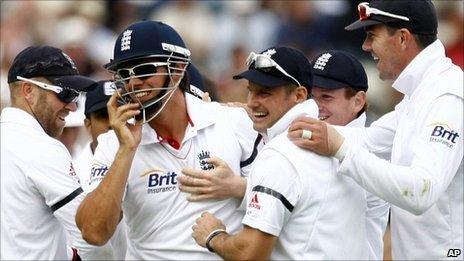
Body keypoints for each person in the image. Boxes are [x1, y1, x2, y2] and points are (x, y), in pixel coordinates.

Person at [287, 1, 463, 259]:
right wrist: (276, 123)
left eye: (372, 35)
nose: (365, 46)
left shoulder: (447, 96)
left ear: (403, 38)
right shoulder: (422, 92)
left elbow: (421, 190)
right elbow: (366, 140)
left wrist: (339, 148)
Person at [75, 21, 257, 260]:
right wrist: (127, 150)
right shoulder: (113, 143)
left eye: (143, 70)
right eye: (124, 74)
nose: (133, 82)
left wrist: (237, 187)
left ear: (179, 69)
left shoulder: (233, 122)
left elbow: (280, 199)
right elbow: (94, 232)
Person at [191, 46, 372, 260]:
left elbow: (251, 253)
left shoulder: (281, 154)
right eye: (251, 90)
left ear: (299, 95)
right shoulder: (335, 145)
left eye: (265, 92)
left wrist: (213, 235)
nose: (251, 102)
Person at [0, 45, 112, 260]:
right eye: (65, 93)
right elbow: (91, 235)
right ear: (28, 91)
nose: (72, 107)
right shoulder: (41, 147)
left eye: (76, 96)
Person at [310, 49, 389, 260]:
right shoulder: (311, 138)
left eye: (326, 97)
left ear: (357, 101)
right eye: (311, 96)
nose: (314, 107)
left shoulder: (373, 152)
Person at [72, 80, 128, 260]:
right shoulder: (73, 172)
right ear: (88, 124)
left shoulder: (147, 159)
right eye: (104, 115)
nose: (113, 122)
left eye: (120, 111)